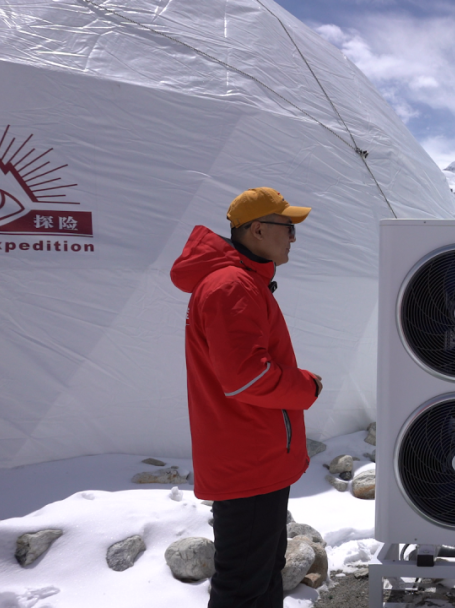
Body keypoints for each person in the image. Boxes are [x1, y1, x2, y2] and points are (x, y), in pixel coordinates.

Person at [171, 187, 323, 608]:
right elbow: (246, 378)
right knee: (243, 586)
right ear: (257, 229)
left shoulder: (241, 281)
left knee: (262, 573)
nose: (293, 237)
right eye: (287, 227)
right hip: (248, 460)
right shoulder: (232, 285)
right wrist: (306, 385)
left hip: (253, 457)